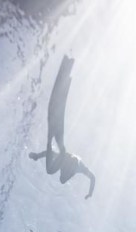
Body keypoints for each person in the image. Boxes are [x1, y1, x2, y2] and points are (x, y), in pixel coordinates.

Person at [29, 55, 95, 199]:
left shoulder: (65, 165)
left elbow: (48, 154)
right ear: (68, 174)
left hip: (62, 150)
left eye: (63, 173)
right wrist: (90, 193)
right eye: (65, 173)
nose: (64, 172)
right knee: (54, 163)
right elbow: (92, 177)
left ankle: (52, 140)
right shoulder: (79, 169)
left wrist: (37, 156)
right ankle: (53, 141)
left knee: (50, 169)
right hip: (63, 151)